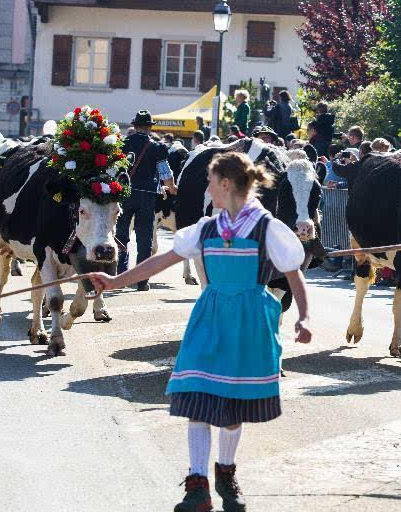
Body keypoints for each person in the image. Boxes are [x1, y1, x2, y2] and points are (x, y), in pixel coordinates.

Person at [89, 152, 312, 512]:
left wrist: (304, 316)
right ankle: (197, 488)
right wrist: (116, 281)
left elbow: (293, 273)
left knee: (232, 406)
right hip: (209, 319)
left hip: (249, 322)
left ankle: (226, 475)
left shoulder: (266, 227)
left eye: (210, 181)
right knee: (198, 397)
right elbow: (162, 260)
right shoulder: (208, 228)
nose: (207, 188)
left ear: (225, 185)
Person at [116, 110, 177, 291]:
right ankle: (142, 281)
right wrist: (172, 189)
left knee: (122, 235)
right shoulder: (157, 147)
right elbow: (166, 175)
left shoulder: (123, 144)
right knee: (144, 239)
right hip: (147, 197)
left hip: (124, 194)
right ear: (150, 127)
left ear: (134, 126)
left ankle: (121, 274)